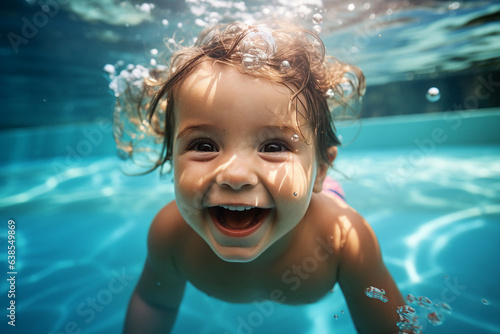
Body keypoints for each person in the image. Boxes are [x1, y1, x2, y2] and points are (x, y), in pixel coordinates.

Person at [117, 21, 405, 333]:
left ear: (320, 169)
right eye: (204, 146)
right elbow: (155, 302)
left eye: (274, 146)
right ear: (172, 161)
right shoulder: (170, 235)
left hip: (321, 206)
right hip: (284, 197)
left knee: (324, 200)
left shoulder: (344, 240)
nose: (235, 175)